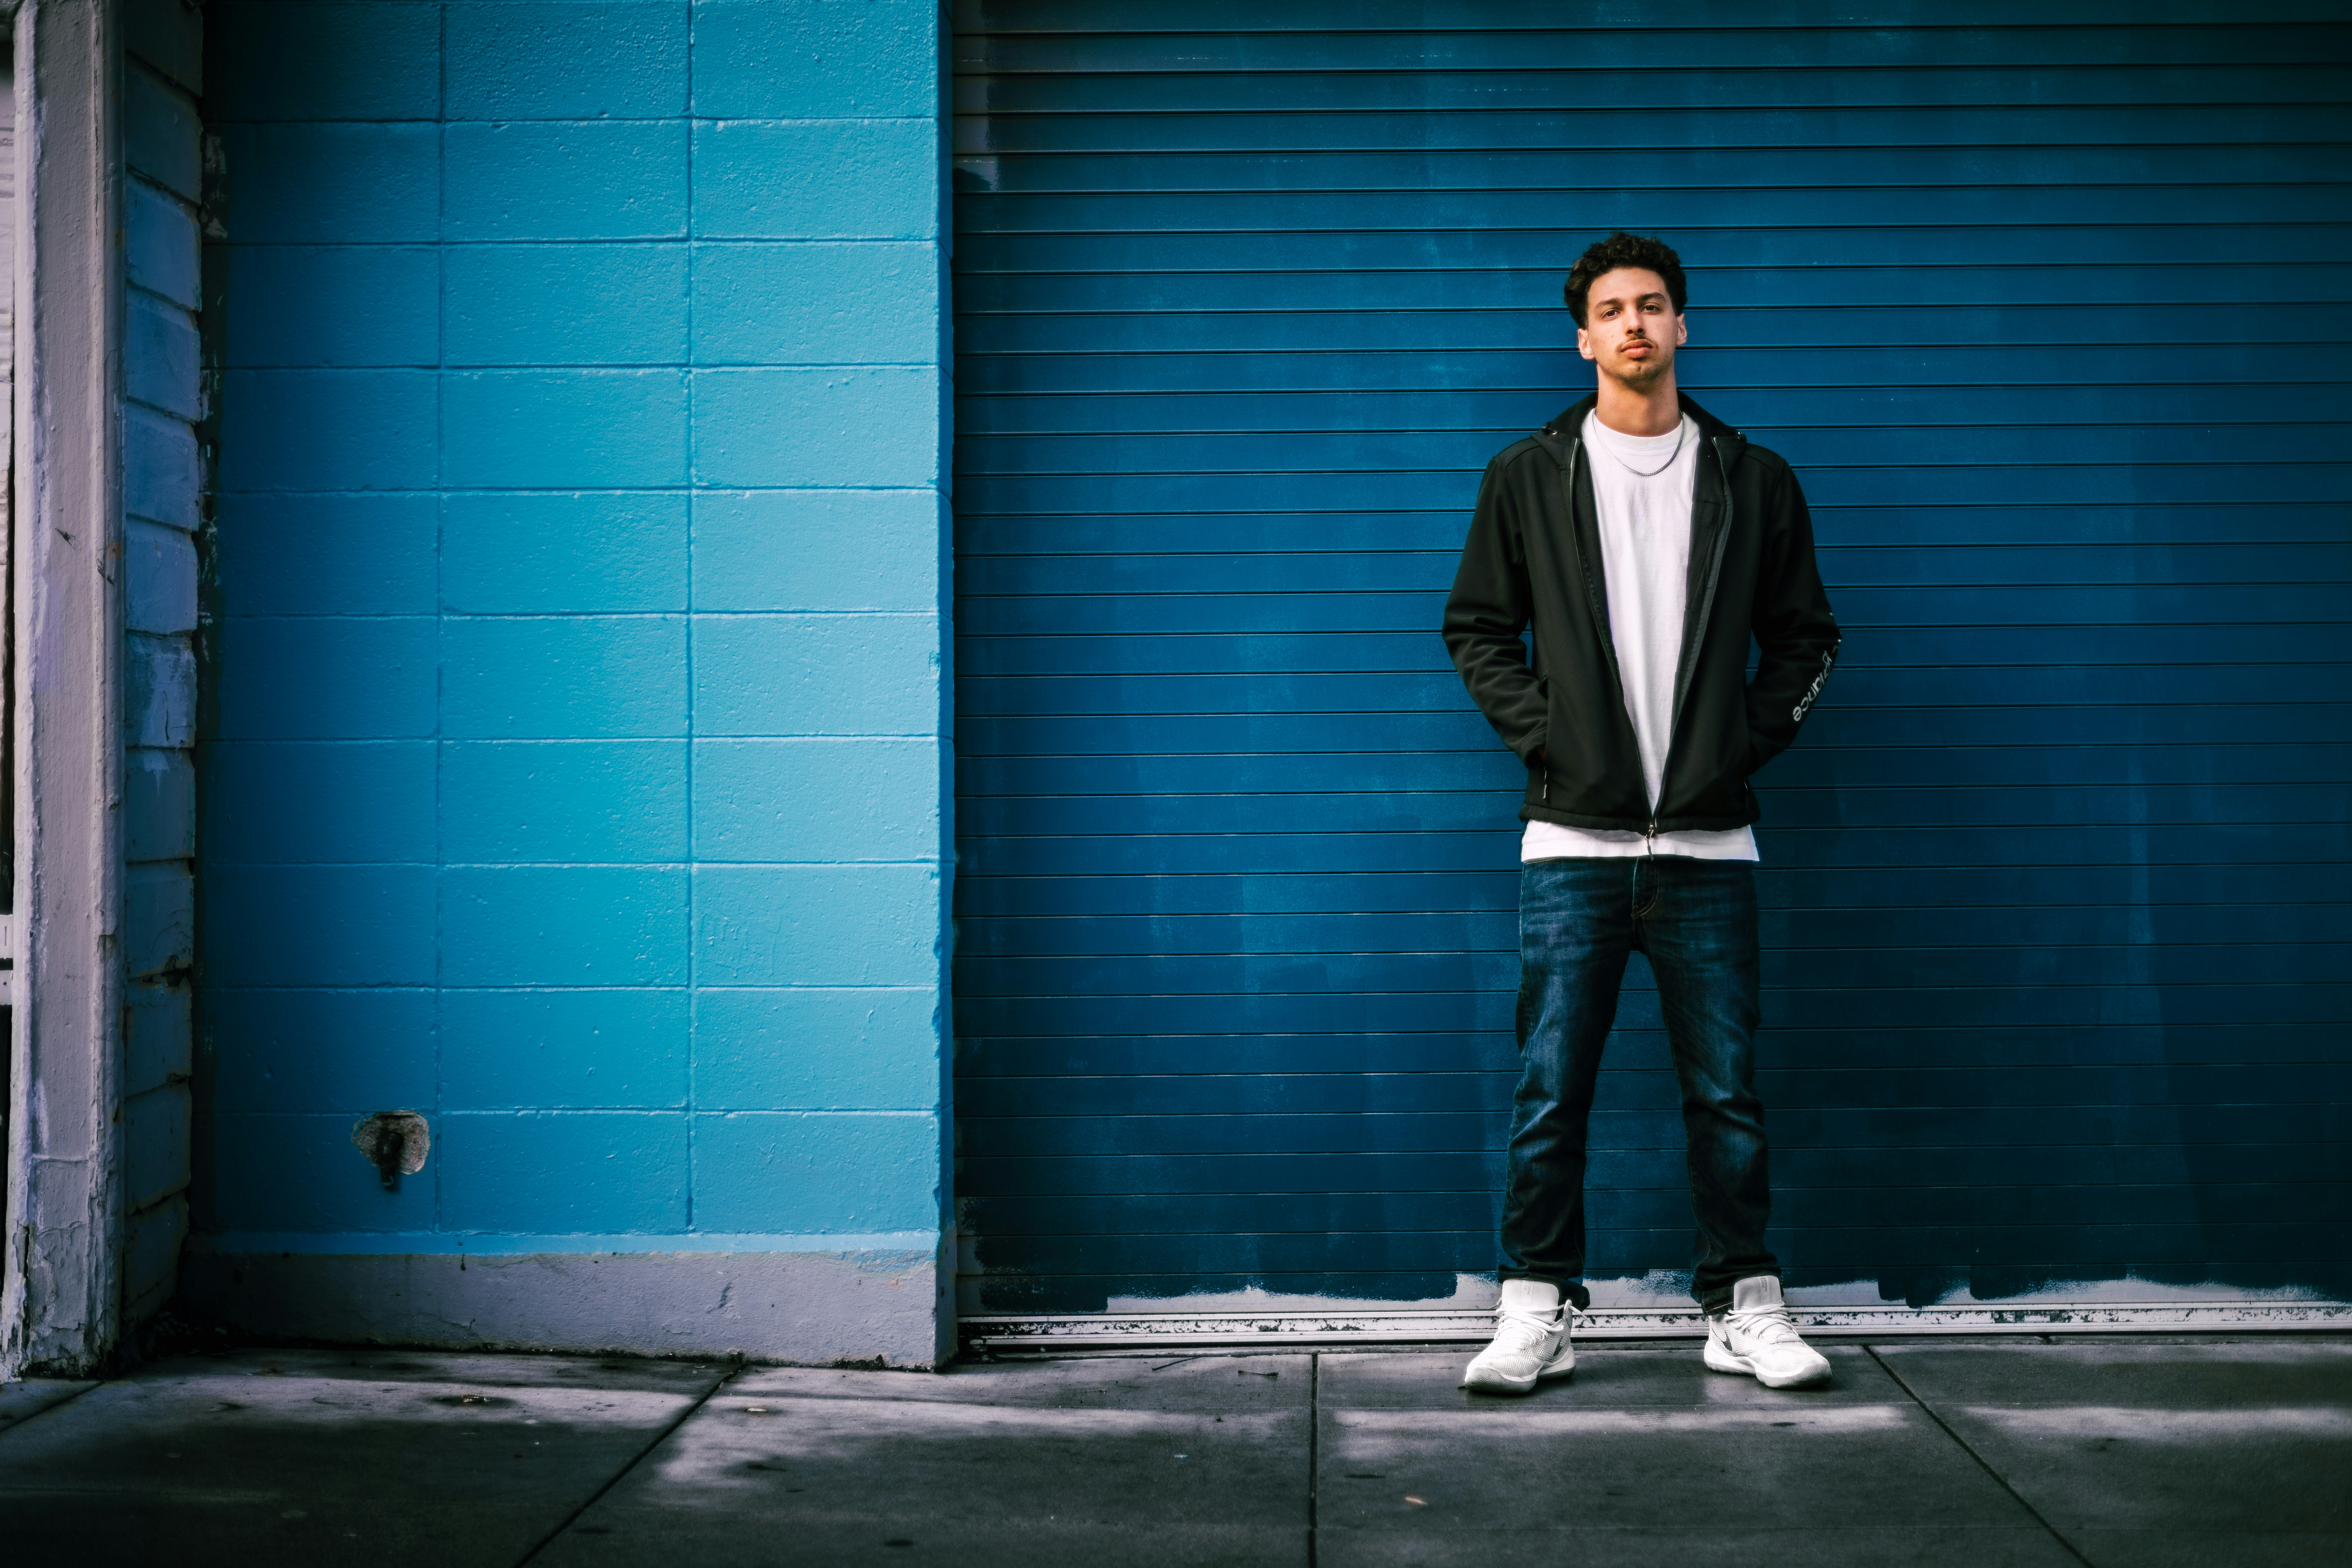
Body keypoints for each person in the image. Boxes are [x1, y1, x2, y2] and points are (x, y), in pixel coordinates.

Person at [1440, 232, 1842, 1394]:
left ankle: (1744, 1304)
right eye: (1611, 309)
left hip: (1712, 841)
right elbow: (1475, 628)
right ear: (1582, 338)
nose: (1632, 324)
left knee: (1724, 1089)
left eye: (1652, 306)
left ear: (1680, 327)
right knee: (1550, 1084)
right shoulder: (1527, 473)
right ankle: (1534, 1306)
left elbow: (1807, 639)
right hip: (1571, 838)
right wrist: (1551, 738)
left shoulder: (1750, 478)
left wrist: (1737, 743)